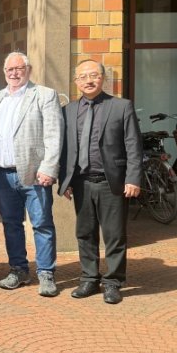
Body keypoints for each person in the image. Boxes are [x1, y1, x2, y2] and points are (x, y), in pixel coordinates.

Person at [59, 60, 142, 305]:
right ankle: (89, 278)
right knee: (84, 233)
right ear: (76, 81)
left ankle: (113, 282)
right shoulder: (68, 110)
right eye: (83, 76)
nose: (88, 80)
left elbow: (133, 145)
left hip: (111, 182)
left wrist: (133, 178)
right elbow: (65, 149)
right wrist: (65, 180)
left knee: (114, 235)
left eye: (93, 75)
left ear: (103, 78)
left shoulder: (121, 106)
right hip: (81, 182)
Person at [0, 51, 64, 297]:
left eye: (19, 68)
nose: (14, 73)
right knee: (11, 224)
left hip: (35, 174)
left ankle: (46, 273)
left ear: (28, 70)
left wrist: (49, 168)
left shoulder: (44, 95)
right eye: (10, 69)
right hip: (2, 175)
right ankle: (18, 270)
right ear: (4, 72)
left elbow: (54, 134)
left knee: (41, 224)